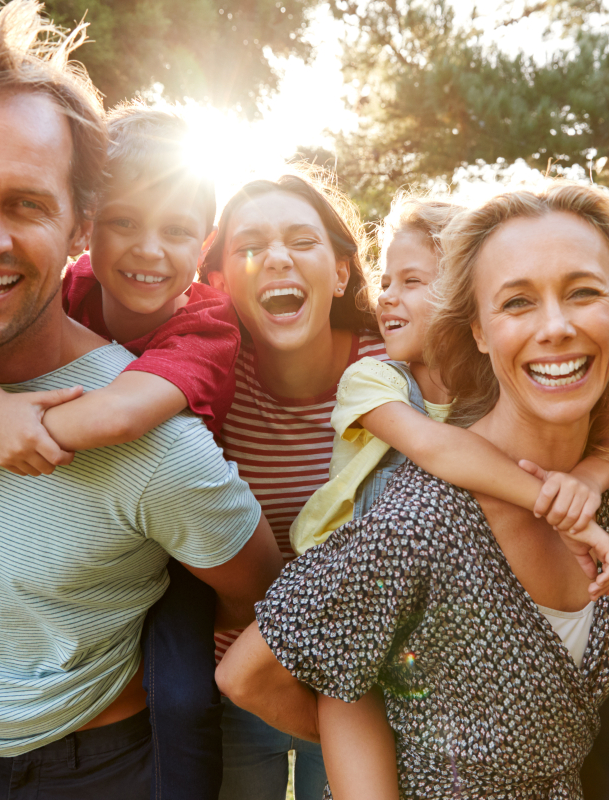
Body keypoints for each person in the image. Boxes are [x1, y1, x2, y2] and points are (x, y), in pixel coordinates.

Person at [0, 2, 283, 798]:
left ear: (77, 223)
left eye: (25, 203)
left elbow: (256, 584)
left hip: (94, 768)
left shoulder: (162, 425)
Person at [216, 182, 609, 799]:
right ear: (477, 328)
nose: (557, 327)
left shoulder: (595, 478)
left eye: (584, 291)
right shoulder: (421, 515)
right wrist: (398, 753)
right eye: (518, 302)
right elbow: (249, 676)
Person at [291, 193, 609, 577]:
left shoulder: (501, 382)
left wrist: (588, 478)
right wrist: (559, 507)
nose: (387, 296)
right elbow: (437, 447)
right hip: (340, 572)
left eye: (411, 281)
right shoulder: (371, 379)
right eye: (386, 282)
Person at [198, 173, 386, 799]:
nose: (276, 256)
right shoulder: (208, 380)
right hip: (233, 674)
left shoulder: (391, 373)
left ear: (339, 272)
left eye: (301, 240)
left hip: (362, 683)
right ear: (219, 283)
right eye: (250, 243)